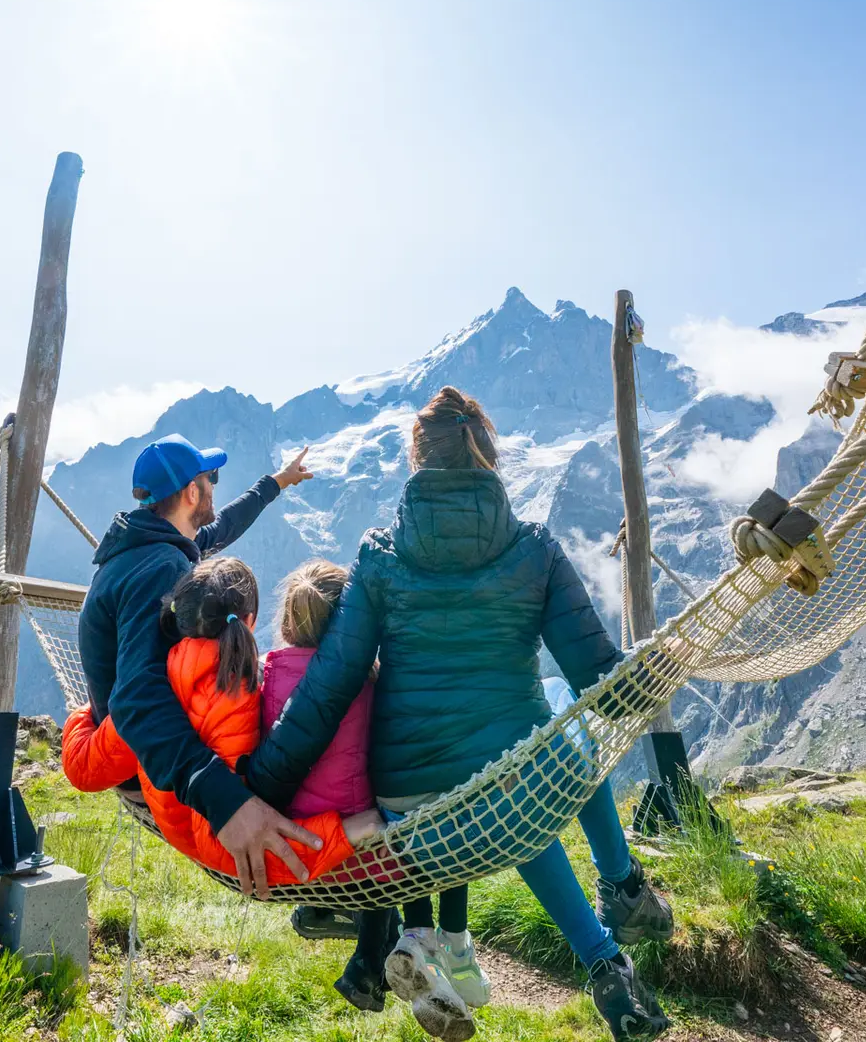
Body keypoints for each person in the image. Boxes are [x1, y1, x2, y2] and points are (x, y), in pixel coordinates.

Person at [247, 387, 674, 1042]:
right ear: (488, 455)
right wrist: (665, 662)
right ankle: (619, 905)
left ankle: (606, 937)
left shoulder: (380, 554)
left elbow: (327, 689)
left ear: (418, 461)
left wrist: (256, 795)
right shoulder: (536, 549)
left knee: (514, 769)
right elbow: (601, 682)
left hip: (406, 803)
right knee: (559, 716)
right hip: (515, 787)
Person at [77, 431, 323, 895]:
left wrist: (277, 483)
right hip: (149, 764)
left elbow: (219, 530)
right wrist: (225, 802)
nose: (215, 486)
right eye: (210, 477)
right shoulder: (161, 570)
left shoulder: (143, 545)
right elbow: (134, 699)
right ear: (192, 492)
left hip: (128, 746)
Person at [63, 556, 384, 880]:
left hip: (169, 814)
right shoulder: (235, 696)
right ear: (249, 621)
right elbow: (229, 842)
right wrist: (341, 833)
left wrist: (88, 711)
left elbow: (84, 770)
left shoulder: (147, 689)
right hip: (197, 830)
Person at [261, 560, 397, 1011]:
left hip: (289, 837)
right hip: (353, 841)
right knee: (388, 846)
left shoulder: (269, 674)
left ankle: (325, 912)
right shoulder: (365, 680)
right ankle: (367, 962)